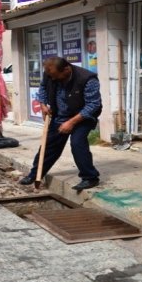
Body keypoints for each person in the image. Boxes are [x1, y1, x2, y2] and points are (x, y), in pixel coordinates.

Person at [19, 57, 102, 191]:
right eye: (51, 77)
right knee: (49, 145)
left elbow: (93, 104)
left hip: (83, 116)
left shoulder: (87, 79)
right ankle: (35, 175)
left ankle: (90, 178)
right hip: (60, 115)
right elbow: (43, 88)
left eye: (57, 77)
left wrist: (71, 122)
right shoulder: (50, 74)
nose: (54, 80)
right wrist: (42, 104)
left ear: (66, 69)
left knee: (77, 143)